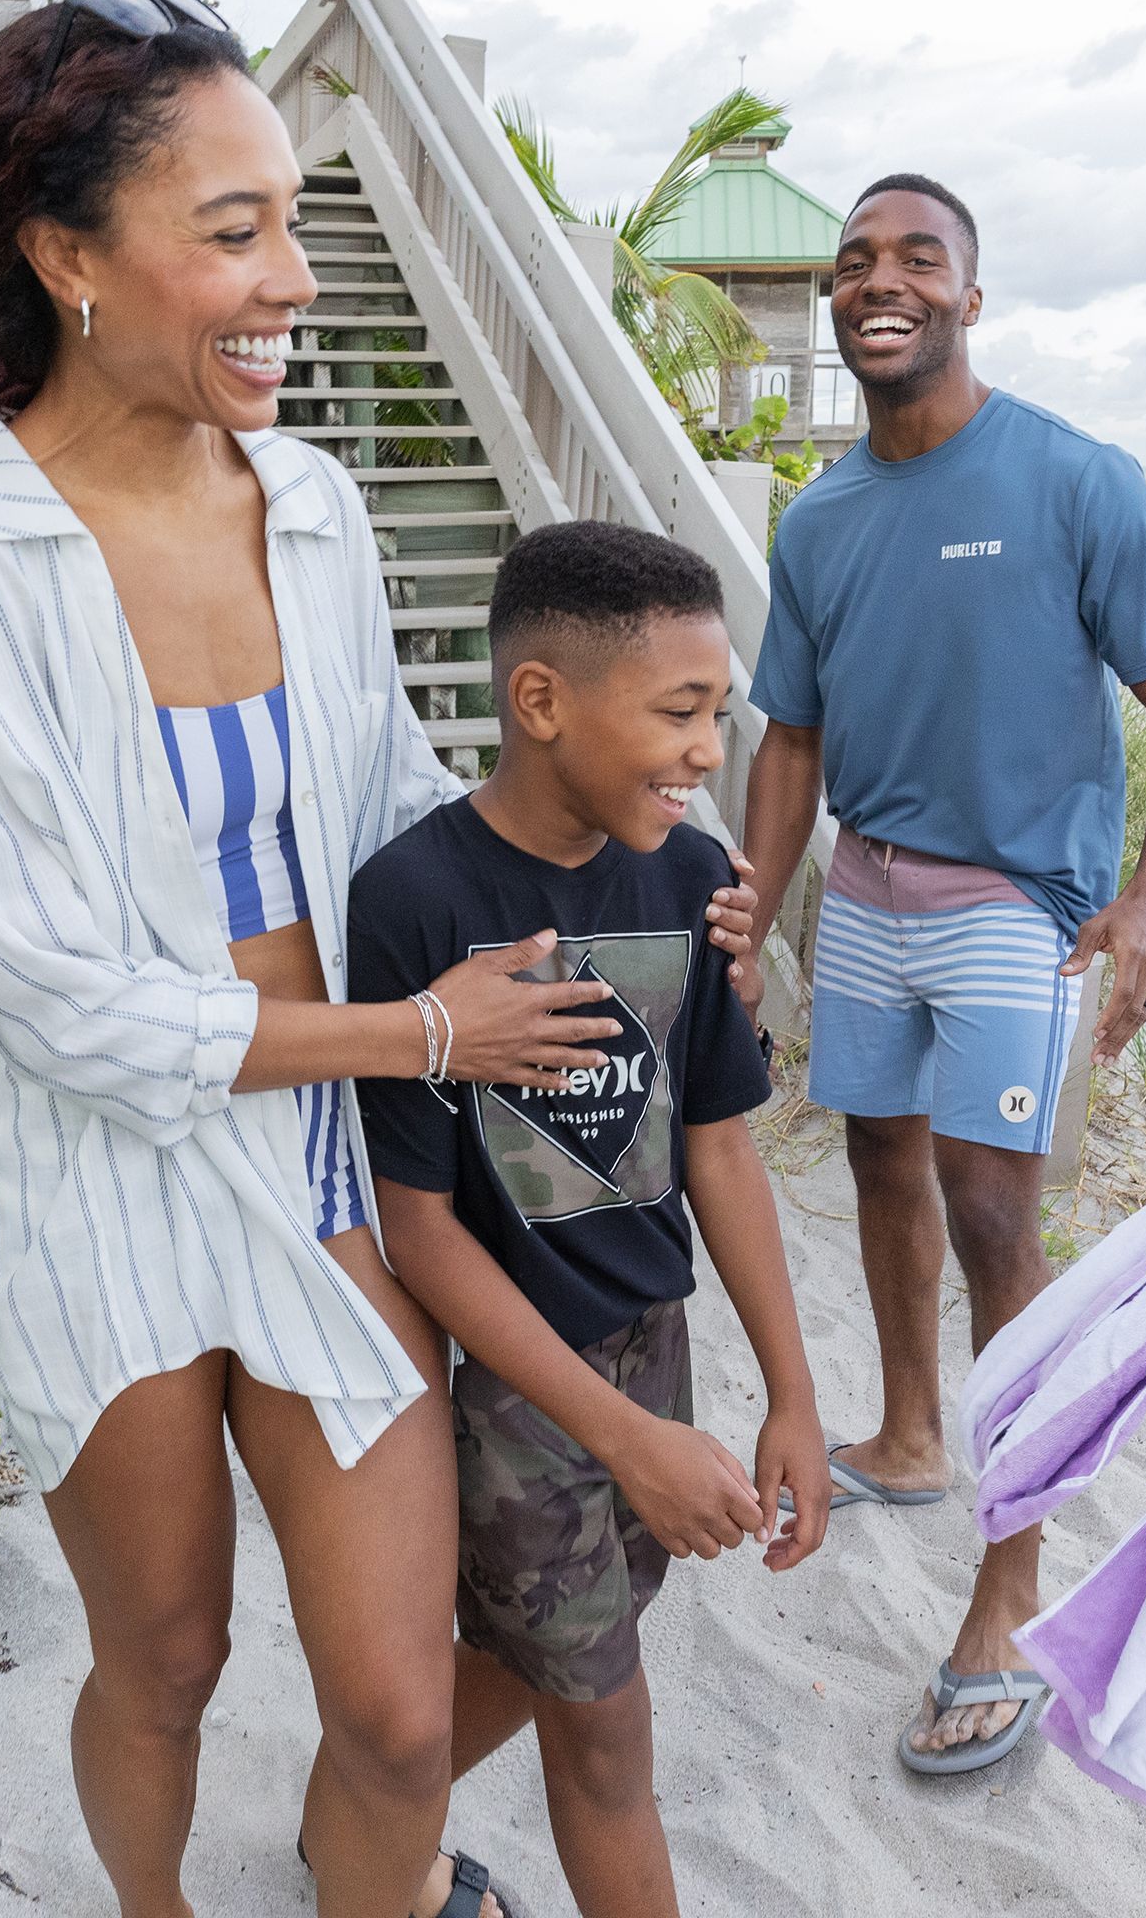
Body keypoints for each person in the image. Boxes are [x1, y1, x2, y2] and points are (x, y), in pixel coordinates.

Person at [0, 0, 757, 1918]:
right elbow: (50, 999)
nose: (296, 283)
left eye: (293, 222)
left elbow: (398, 799)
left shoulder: (319, 507)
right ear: (67, 256)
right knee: (167, 1658)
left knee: (398, 1716)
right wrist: (425, 1029)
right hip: (94, 1181)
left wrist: (632, 868)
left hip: (331, 1151)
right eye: (236, 230)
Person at [737, 172, 1146, 1772]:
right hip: (864, 892)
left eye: (917, 258)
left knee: (995, 1209)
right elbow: (793, 736)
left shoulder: (1078, 479)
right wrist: (755, 899)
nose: (879, 281)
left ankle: (1010, 1589)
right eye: (855, 262)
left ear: (969, 295)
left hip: (1019, 906)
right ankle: (910, 1430)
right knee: (879, 1155)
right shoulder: (816, 515)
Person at [346, 519, 831, 1917]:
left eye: (718, 716)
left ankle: (368, 1821)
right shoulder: (418, 900)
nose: (706, 751)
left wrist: (791, 1394)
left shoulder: (687, 877)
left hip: (650, 1339)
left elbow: (722, 1150)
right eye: (680, 714)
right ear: (541, 701)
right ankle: (373, 1819)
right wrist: (623, 1439)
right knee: (608, 1724)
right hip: (515, 1387)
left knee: (545, 1649)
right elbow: (421, 1231)